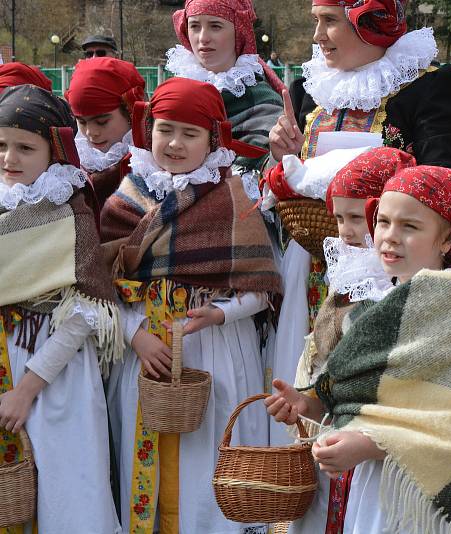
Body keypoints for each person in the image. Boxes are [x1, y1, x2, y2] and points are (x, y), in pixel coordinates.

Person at [264, 0, 451, 441]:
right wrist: (289, 157)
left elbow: (444, 182)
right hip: (316, 265)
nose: (318, 36)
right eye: (316, 22)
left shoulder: (432, 88)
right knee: (303, 388)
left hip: (390, 268)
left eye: (330, 22)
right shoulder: (310, 92)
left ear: (372, 23)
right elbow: (297, 178)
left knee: (368, 394)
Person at [269, 164, 451, 534]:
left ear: (448, 238)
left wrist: (373, 443)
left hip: (403, 492)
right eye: (383, 221)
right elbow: (350, 387)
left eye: (410, 226)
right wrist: (310, 405)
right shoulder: (373, 295)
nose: (389, 237)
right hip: (351, 478)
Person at [101, 78, 282, 534]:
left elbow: (261, 288)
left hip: (213, 351)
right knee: (145, 455)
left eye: (190, 133)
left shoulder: (232, 199)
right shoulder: (124, 200)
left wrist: (221, 313)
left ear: (213, 139)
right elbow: (100, 287)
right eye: (165, 130)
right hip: (145, 354)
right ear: (148, 131)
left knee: (208, 458)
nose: (175, 144)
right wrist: (134, 334)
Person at [268, 147, 413, 533]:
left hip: (385, 455)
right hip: (335, 438)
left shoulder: (408, 289)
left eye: (357, 217)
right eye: (339, 218)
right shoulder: (350, 276)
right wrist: (307, 402)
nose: (346, 230)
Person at [0, 84, 122, 533]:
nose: (9, 158)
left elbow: (87, 313)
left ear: (52, 151)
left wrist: (28, 388)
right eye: (0, 145)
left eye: (24, 148)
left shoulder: (68, 213)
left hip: (54, 375)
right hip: (3, 362)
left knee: (69, 494)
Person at [167, 0, 286, 185]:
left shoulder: (262, 100)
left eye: (215, 26)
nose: (203, 37)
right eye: (195, 26)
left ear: (238, 31)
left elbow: (261, 179)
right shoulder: (173, 90)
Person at [65, 57, 146, 209]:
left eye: (102, 122)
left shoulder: (151, 165)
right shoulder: (71, 164)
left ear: (130, 112)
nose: (91, 132)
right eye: (81, 122)